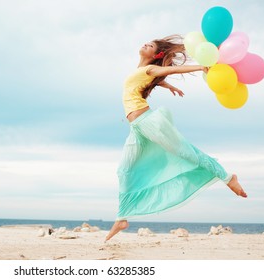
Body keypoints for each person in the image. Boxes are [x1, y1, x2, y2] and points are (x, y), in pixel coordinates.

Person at [105, 35, 247, 242]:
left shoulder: (150, 69)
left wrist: (199, 67)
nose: (145, 43)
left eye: (150, 45)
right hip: (137, 128)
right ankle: (122, 217)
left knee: (186, 152)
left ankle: (227, 177)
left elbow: (168, 70)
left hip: (148, 122)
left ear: (156, 55)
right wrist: (167, 86)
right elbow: (154, 78)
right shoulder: (142, 71)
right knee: (124, 170)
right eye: (147, 42)